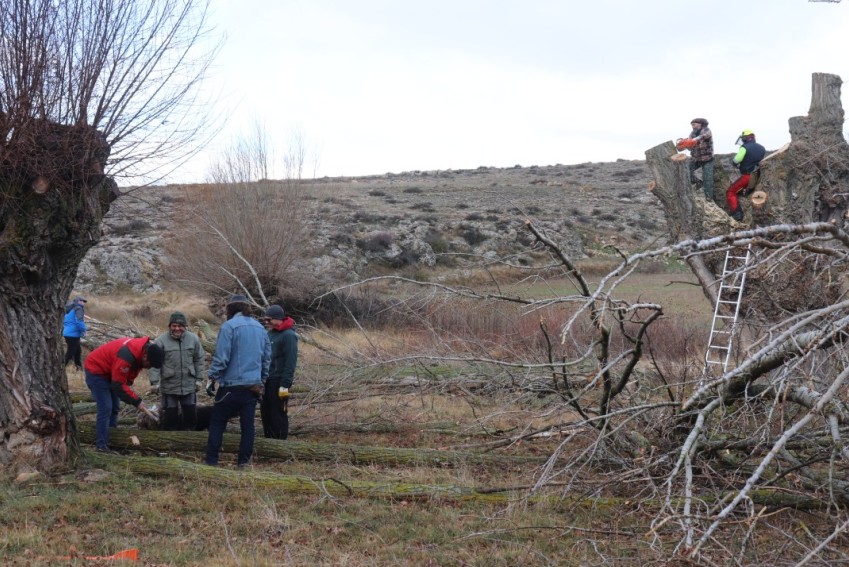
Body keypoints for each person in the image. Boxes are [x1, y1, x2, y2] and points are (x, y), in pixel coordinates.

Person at [204, 295, 271, 467]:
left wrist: (212, 377)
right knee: (247, 426)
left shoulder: (229, 327)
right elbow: (266, 359)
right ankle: (243, 462)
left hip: (230, 387)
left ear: (231, 309)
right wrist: (261, 381)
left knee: (217, 422)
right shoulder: (261, 328)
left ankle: (212, 461)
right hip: (252, 387)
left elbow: (221, 358)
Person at [84, 337, 164, 452]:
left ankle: (112, 441)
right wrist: (136, 401)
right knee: (106, 408)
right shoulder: (127, 356)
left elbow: (126, 377)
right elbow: (119, 385)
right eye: (149, 365)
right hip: (96, 371)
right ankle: (102, 446)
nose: (148, 368)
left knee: (115, 408)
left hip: (111, 373)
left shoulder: (141, 351)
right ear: (145, 356)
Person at [149, 311, 207, 430]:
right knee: (170, 415)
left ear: (185, 327)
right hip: (169, 385)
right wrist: (154, 382)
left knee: (190, 414)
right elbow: (155, 363)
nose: (177, 328)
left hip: (189, 384)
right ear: (170, 326)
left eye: (180, 326)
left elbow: (199, 359)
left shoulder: (194, 339)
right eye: (174, 326)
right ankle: (170, 440)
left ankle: (189, 438)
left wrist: (199, 379)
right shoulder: (161, 341)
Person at [260, 304, 298, 440]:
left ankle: (280, 442)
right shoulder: (269, 334)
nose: (266, 322)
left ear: (277, 319)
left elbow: (290, 361)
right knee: (266, 412)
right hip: (267, 379)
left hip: (279, 380)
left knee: (278, 413)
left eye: (269, 320)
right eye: (265, 320)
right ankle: (268, 440)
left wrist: (285, 384)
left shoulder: (289, 335)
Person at [726, 129, 766, 221]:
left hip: (748, 176)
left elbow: (737, 159)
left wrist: (734, 163)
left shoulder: (744, 147)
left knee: (730, 192)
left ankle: (737, 214)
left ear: (745, 138)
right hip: (759, 175)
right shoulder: (761, 147)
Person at [687, 118, 714, 200]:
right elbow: (689, 145)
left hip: (707, 159)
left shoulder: (706, 130)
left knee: (707, 178)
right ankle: (698, 183)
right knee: (687, 171)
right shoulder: (692, 133)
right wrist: (686, 144)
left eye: (694, 124)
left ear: (700, 124)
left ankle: (709, 198)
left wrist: (693, 140)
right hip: (696, 159)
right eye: (692, 125)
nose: (692, 126)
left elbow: (704, 136)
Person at [63, 296, 88, 370]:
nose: (83, 303)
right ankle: (60, 368)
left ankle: (79, 368)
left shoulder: (69, 309)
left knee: (77, 351)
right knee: (70, 353)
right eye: (82, 301)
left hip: (67, 333)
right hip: (73, 335)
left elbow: (65, 321)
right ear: (78, 301)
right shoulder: (78, 308)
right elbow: (79, 321)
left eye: (84, 301)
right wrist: (84, 330)